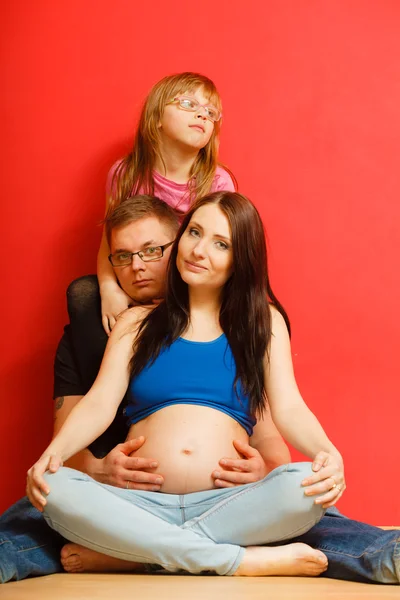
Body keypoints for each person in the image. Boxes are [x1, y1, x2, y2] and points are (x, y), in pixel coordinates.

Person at [26, 190, 349, 578]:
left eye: (220, 243)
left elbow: (289, 408)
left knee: (304, 486)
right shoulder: (136, 323)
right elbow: (99, 403)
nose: (198, 250)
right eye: (194, 232)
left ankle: (138, 553)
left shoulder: (264, 323)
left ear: (239, 260)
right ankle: (237, 561)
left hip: (229, 502)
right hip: (138, 503)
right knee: (56, 488)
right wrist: (53, 454)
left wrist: (328, 454)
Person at [98, 72, 236, 335]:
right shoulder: (125, 174)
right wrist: (109, 288)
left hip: (193, 291)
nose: (203, 115)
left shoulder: (217, 182)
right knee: (81, 296)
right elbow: (109, 243)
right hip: (140, 282)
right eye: (188, 104)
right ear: (157, 117)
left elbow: (224, 257)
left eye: (211, 111)